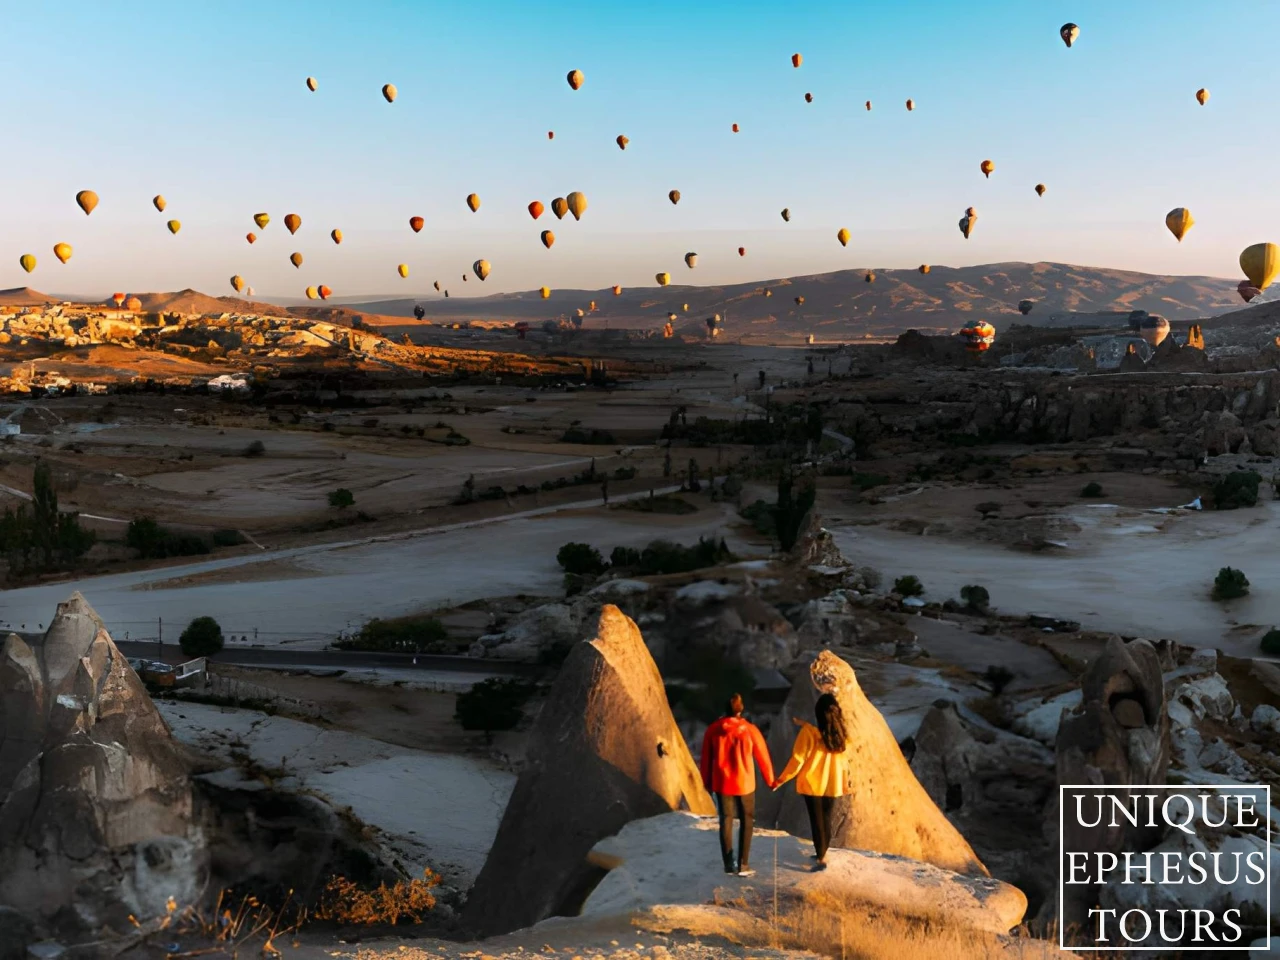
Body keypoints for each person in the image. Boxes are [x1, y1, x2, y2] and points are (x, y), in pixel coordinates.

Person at [700, 693, 775, 877]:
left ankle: (728, 864)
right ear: (741, 709)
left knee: (726, 821)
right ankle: (743, 864)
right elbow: (763, 756)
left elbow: (706, 760)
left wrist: (706, 783)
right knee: (746, 821)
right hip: (745, 783)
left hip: (722, 782)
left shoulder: (713, 730)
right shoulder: (750, 730)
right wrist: (771, 780)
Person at [772, 693, 849, 871]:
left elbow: (798, 759)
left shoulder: (809, 733)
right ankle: (822, 852)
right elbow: (845, 762)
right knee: (827, 818)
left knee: (817, 820)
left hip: (813, 783)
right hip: (833, 783)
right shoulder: (841, 735)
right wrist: (844, 782)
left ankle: (821, 858)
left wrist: (781, 779)